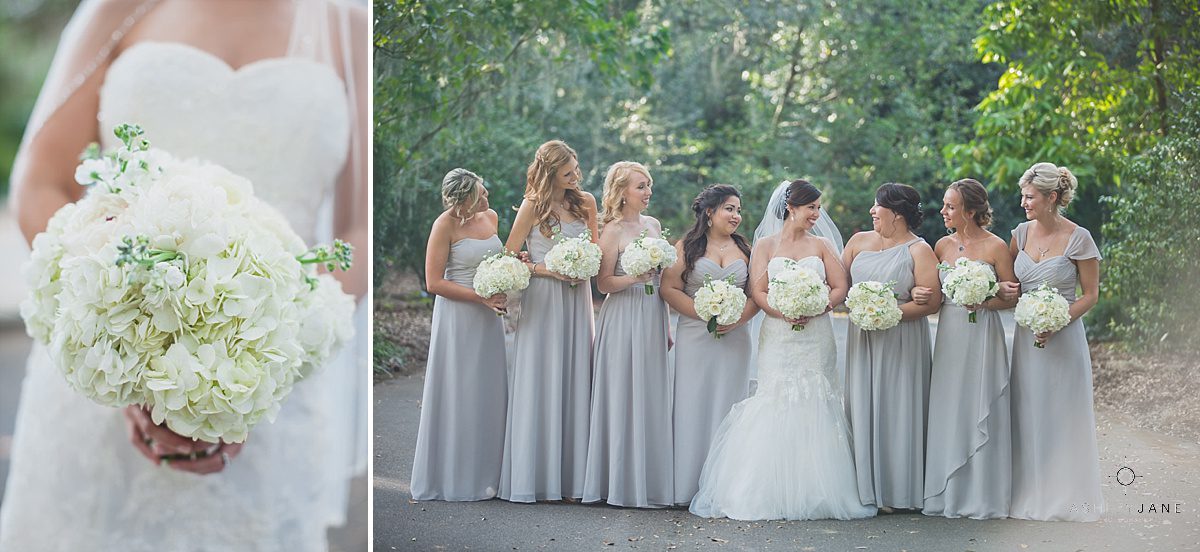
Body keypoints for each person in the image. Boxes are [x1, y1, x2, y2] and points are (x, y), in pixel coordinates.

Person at [0, 1, 367, 550]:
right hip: (104, 364)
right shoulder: (120, 8)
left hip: (266, 387)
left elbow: (358, 229)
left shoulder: (349, 26)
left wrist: (265, 362)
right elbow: (41, 183)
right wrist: (130, 357)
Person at [689, 180, 875, 521]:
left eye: (819, 208)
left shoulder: (820, 245)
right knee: (775, 398)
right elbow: (758, 290)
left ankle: (817, 488)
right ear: (791, 207)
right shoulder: (765, 244)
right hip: (779, 334)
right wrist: (782, 310)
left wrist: (818, 305)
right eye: (811, 208)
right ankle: (767, 488)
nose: (817, 214)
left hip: (815, 336)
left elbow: (840, 286)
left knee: (816, 398)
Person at [998, 162, 1104, 521]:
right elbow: (1008, 283)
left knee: (1063, 414)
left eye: (1030, 197)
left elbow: (1090, 295)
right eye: (1023, 196)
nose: (1024, 203)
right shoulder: (1020, 234)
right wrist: (1002, 288)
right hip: (1026, 339)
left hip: (1064, 338)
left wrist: (1059, 321)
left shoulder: (1080, 238)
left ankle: (1067, 497)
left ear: (1052, 197)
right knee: (1027, 411)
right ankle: (1030, 493)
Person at [499, 140, 598, 502]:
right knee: (542, 379)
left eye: (576, 168)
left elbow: (596, 252)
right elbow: (510, 256)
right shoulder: (532, 206)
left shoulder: (586, 202)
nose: (576, 176)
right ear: (550, 173)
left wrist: (583, 267)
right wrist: (548, 270)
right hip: (543, 298)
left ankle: (572, 481)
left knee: (575, 378)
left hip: (577, 299)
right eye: (567, 172)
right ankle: (536, 478)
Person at [918, 178, 1016, 519]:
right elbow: (932, 293)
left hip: (984, 335)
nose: (943, 211)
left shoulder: (996, 247)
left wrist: (989, 299)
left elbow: (1010, 297)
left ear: (970, 211)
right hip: (950, 335)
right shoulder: (941, 246)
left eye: (950, 206)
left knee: (981, 399)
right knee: (950, 402)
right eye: (945, 205)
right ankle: (947, 491)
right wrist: (922, 296)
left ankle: (983, 494)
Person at [410, 169, 507, 501]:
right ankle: (454, 476)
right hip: (458, 316)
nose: (487, 197)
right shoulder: (444, 225)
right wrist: (481, 298)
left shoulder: (491, 217)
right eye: (480, 193)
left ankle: (490, 475)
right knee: (459, 390)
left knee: (489, 390)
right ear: (464, 198)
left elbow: (497, 261)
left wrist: (514, 267)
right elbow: (434, 283)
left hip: (490, 317)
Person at [842, 182, 940, 512]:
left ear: (896, 214)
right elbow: (839, 285)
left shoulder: (919, 250)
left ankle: (898, 491)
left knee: (899, 407)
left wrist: (889, 313)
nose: (872, 211)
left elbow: (932, 302)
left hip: (902, 340)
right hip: (863, 340)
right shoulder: (857, 242)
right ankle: (864, 488)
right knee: (862, 403)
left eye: (877, 206)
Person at [581, 161, 672, 508]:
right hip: (622, 315)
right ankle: (616, 481)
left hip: (651, 315)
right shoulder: (611, 230)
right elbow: (603, 284)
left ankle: (648, 479)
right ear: (621, 192)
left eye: (649, 185)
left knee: (648, 391)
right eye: (640, 187)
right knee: (621, 392)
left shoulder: (653, 225)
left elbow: (661, 282)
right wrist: (636, 277)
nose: (648, 192)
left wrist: (664, 325)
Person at [659, 184, 756, 506]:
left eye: (739, 210)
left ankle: (728, 487)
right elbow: (669, 288)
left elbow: (757, 293)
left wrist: (738, 318)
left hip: (735, 337)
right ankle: (687, 484)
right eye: (730, 209)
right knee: (693, 403)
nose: (736, 216)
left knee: (730, 404)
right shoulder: (686, 247)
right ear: (710, 212)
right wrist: (704, 313)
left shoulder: (745, 248)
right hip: (694, 334)